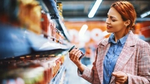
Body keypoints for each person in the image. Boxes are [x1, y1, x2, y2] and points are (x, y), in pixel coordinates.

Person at [69, 1, 150, 84]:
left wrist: (127, 79)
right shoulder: (102, 45)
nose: (107, 21)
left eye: (113, 19)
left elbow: (147, 80)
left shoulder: (141, 46)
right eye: (107, 17)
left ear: (127, 22)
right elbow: (95, 78)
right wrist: (79, 64)